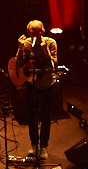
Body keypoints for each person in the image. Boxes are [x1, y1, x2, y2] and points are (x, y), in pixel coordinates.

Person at [15, 20, 59, 159]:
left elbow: (54, 63)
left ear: (42, 32)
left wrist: (44, 49)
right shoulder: (26, 44)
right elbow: (19, 64)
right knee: (32, 116)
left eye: (37, 33)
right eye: (31, 33)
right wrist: (21, 48)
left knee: (46, 116)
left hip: (47, 83)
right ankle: (34, 145)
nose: (34, 36)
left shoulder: (51, 42)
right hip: (32, 84)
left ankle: (44, 146)